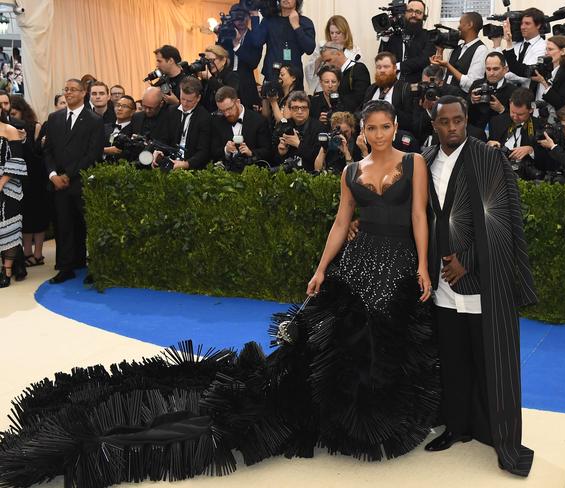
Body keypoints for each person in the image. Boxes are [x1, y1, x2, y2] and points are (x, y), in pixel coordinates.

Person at [0, 102, 442, 488]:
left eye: (386, 127)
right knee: (341, 349)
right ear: (363, 131)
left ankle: (380, 423)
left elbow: (420, 216)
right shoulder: (351, 172)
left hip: (399, 264)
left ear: (395, 126)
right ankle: (344, 422)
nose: (380, 135)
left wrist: (422, 265)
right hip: (358, 264)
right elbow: (342, 224)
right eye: (373, 128)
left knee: (388, 344)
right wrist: (321, 269)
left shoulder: (414, 164)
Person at [420, 95, 537, 477]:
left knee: (488, 356)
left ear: (467, 120)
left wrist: (466, 260)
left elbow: (499, 218)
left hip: (479, 277)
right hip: (440, 280)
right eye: (444, 122)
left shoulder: (488, 158)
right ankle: (457, 425)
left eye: (458, 121)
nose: (452, 128)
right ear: (433, 124)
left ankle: (494, 432)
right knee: (451, 357)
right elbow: (416, 211)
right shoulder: (425, 160)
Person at [43, 79, 104, 284]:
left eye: (73, 90)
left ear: (83, 93)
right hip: (58, 183)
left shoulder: (94, 120)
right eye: (66, 89)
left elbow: (92, 153)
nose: (68, 93)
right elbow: (48, 150)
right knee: (63, 225)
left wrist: (69, 175)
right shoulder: (54, 118)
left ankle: (94, 266)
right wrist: (53, 175)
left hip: (80, 181)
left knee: (88, 225)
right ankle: (66, 267)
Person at [9, 96, 49, 268]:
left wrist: (24, 139)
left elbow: (37, 154)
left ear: (22, 111)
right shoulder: (7, 129)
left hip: (35, 177)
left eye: (14, 113)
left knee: (39, 216)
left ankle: (38, 254)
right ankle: (27, 253)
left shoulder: (35, 126)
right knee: (25, 218)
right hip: (18, 178)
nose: (12, 116)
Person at [248, 0, 316, 82]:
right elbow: (257, 42)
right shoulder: (269, 20)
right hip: (271, 74)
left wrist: (296, 26)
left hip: (294, 77)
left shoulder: (305, 22)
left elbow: (309, 49)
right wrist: (255, 16)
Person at [487, 87, 550, 176]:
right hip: (497, 173)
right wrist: (489, 145)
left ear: (531, 110)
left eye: (520, 114)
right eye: (512, 112)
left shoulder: (540, 127)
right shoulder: (497, 121)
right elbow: (488, 147)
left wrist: (531, 151)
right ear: (509, 103)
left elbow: (548, 162)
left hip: (526, 178)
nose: (515, 117)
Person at [154, 77, 211, 170]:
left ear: (198, 98)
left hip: (192, 167)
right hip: (170, 161)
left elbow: (204, 151)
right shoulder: (171, 111)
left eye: (189, 101)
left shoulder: (205, 117)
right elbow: (163, 139)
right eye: (182, 98)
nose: (184, 103)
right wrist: (158, 151)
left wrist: (186, 164)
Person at [211, 86, 272, 170]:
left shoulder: (258, 121)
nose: (226, 114)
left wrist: (251, 153)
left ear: (238, 102)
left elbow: (267, 151)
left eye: (229, 109)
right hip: (226, 174)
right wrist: (226, 150)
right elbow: (213, 151)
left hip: (252, 173)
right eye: (222, 111)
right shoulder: (217, 122)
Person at [217, 4, 263, 110]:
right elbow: (219, 54)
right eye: (237, 19)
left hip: (246, 82)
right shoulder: (227, 35)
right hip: (226, 80)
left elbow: (253, 63)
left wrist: (237, 45)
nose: (240, 22)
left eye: (243, 18)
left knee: (247, 113)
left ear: (248, 17)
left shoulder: (255, 38)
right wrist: (219, 35)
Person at [378, 0, 435, 83]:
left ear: (424, 16)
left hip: (417, 87)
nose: (413, 15)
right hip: (393, 86)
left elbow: (423, 60)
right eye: (410, 11)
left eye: (418, 12)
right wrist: (385, 39)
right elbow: (381, 59)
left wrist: (397, 66)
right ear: (405, 13)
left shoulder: (429, 36)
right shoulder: (395, 35)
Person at [0, 112, 27, 287]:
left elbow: (17, 159)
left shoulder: (9, 129)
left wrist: (2, 182)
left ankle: (7, 270)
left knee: (9, 226)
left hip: (8, 186)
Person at [431, 12, 487, 94]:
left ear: (469, 25)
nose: (458, 27)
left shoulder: (481, 50)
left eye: (460, 23)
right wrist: (440, 52)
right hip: (445, 97)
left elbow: (472, 84)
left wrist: (448, 65)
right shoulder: (457, 48)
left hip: (461, 102)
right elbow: (447, 74)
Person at [304, 15, 362, 94]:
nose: (334, 36)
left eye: (338, 33)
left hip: (344, 90)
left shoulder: (355, 50)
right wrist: (322, 57)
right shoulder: (322, 45)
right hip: (322, 90)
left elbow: (358, 73)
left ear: (345, 33)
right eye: (332, 33)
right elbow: (309, 70)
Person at [362, 52, 414, 133]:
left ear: (395, 68)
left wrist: (388, 109)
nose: (382, 70)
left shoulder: (405, 89)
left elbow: (411, 120)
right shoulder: (371, 89)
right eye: (379, 67)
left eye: (386, 67)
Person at [531, 36, 565, 113]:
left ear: (563, 51)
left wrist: (544, 82)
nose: (546, 53)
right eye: (546, 49)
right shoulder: (546, 69)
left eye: (550, 49)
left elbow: (561, 103)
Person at [275, 91, 325, 171]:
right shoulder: (283, 125)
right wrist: (281, 153)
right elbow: (273, 160)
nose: (299, 111)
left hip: (309, 173)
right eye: (295, 108)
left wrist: (298, 144)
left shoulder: (318, 128)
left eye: (303, 108)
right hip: (286, 173)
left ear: (309, 109)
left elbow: (317, 157)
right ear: (290, 109)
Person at [499, 8, 547, 90]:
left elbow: (525, 75)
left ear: (538, 25)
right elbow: (501, 65)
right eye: (521, 24)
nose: (522, 27)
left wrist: (506, 74)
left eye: (527, 24)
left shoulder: (543, 46)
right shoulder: (515, 44)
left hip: (530, 95)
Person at [468, 52, 517, 133]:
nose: (491, 73)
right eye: (488, 69)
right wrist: (471, 100)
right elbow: (464, 111)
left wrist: (502, 109)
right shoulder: (476, 85)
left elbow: (518, 119)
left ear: (505, 69)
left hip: (500, 134)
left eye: (495, 69)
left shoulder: (513, 91)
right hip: (475, 133)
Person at [320, 42, 371, 114]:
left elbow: (360, 98)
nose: (327, 64)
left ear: (338, 53)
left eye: (329, 60)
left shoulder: (358, 69)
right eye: (325, 62)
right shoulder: (333, 73)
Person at [199, 44, 240, 114]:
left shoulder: (232, 76)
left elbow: (228, 94)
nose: (209, 64)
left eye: (212, 60)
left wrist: (210, 78)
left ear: (223, 60)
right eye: (207, 61)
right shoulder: (209, 76)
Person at [103, 96, 136, 163]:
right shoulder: (104, 128)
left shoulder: (134, 131)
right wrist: (105, 150)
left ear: (132, 111)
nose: (119, 108)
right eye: (118, 105)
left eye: (124, 106)